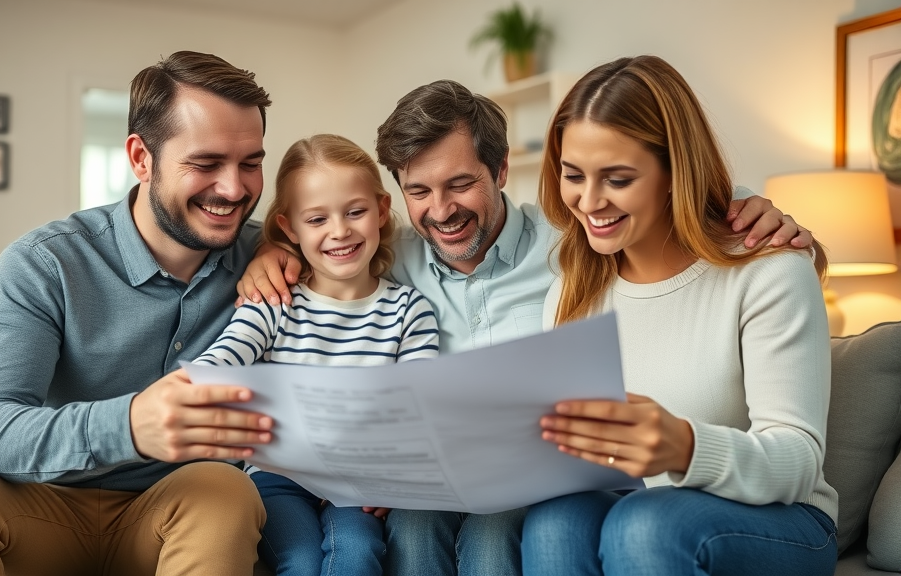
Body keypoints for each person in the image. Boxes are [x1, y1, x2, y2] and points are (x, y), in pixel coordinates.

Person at [236, 80, 812, 576]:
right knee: (412, 529)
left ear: (502, 169)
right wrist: (273, 253)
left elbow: (658, 217)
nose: (441, 210)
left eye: (461, 183)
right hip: (443, 479)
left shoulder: (575, 250)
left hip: (537, 479)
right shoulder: (390, 255)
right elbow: (327, 240)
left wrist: (737, 204)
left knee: (499, 537)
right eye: (419, 191)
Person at [0, 51, 276, 576]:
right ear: (141, 158)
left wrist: (288, 249)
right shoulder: (45, 263)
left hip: (179, 509)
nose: (234, 189)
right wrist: (129, 425)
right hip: (40, 506)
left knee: (226, 490)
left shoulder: (272, 255)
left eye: (251, 163)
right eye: (206, 164)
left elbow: (365, 248)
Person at [522, 55, 838, 576]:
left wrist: (686, 448)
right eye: (573, 175)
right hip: (637, 506)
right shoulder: (569, 295)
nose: (589, 201)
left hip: (781, 519)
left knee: (645, 523)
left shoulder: (770, 270)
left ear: (675, 171)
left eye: (617, 178)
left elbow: (798, 463)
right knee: (556, 521)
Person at [193, 134, 439, 576]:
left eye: (355, 212)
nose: (339, 231)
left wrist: (397, 471)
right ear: (290, 228)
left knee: (357, 552)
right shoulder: (273, 302)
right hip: (278, 477)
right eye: (317, 219)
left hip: (358, 480)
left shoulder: (409, 310)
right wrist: (191, 386)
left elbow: (419, 405)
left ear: (382, 210)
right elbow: (223, 358)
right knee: (301, 561)